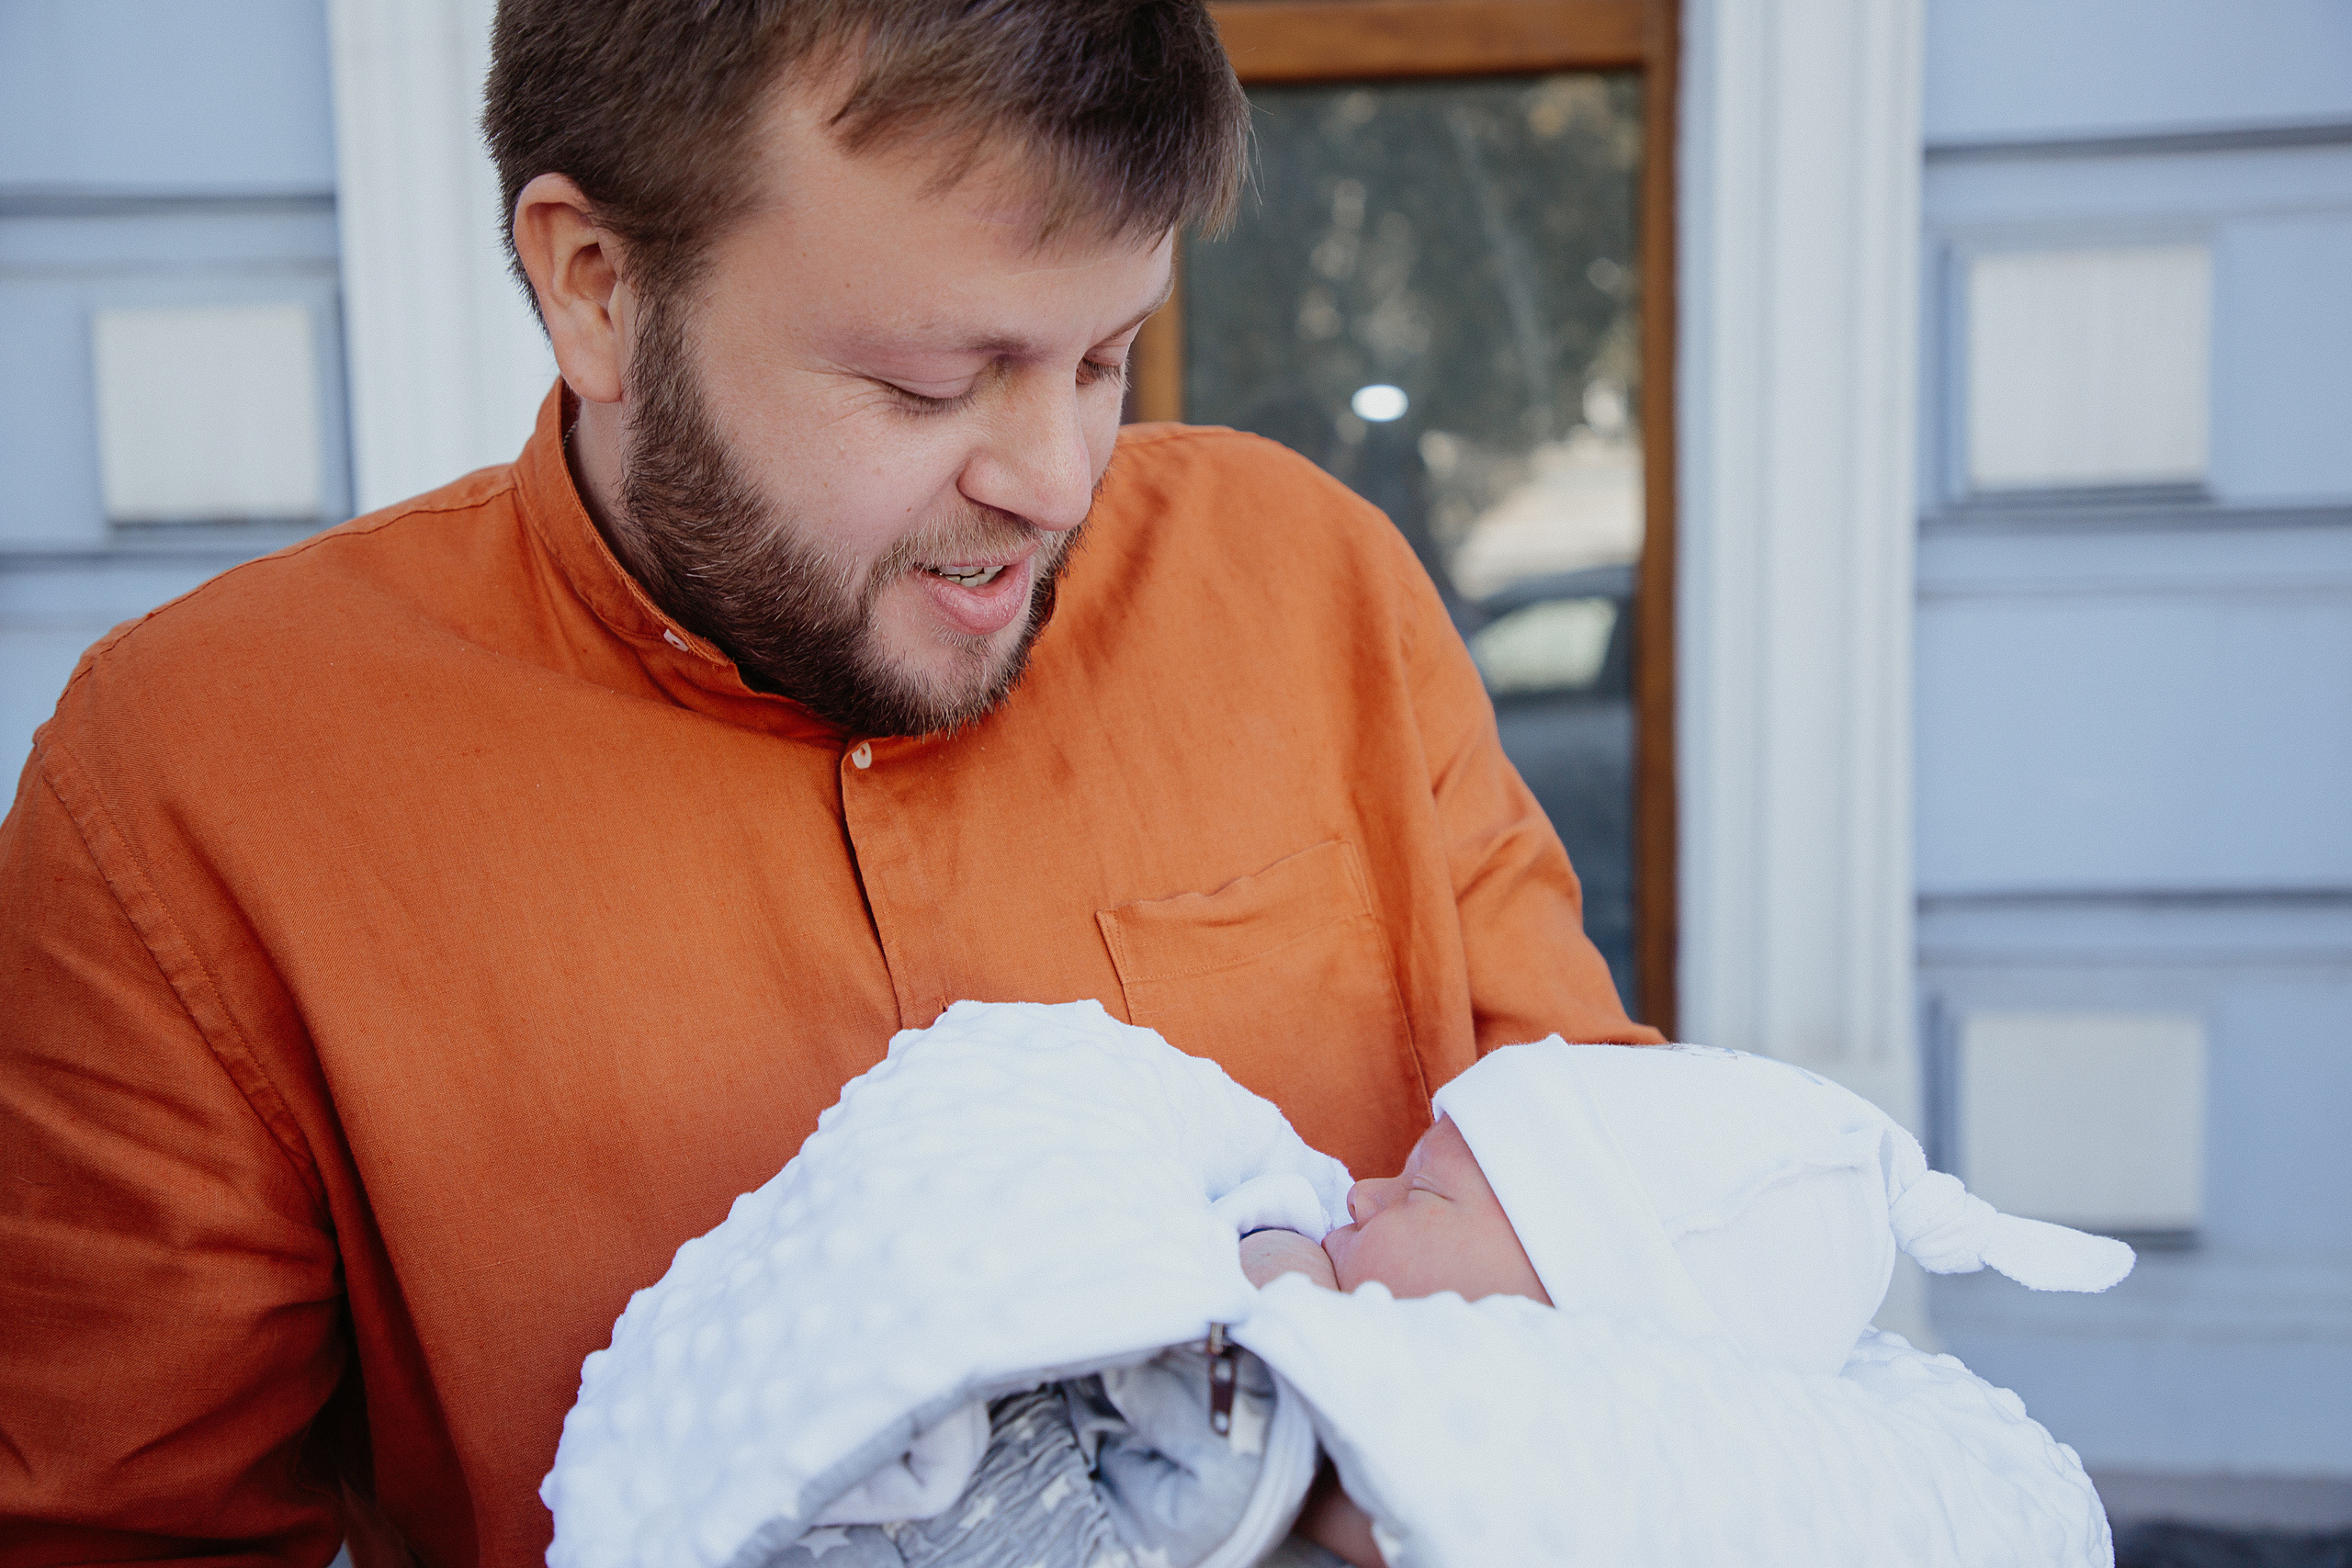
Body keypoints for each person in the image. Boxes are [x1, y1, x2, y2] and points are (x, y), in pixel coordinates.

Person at [0, 3, 1655, 1562]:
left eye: (1106, 359)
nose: (1058, 481)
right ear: (595, 287)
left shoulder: (1316, 592)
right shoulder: (195, 788)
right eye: (932, 385)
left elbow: (1635, 1241)